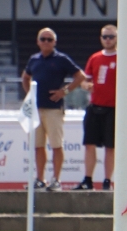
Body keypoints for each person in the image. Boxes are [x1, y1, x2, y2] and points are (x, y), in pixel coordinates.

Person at [21, 27, 86, 191]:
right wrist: (30, 95)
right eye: (43, 39)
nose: (46, 42)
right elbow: (25, 76)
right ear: (38, 42)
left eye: (49, 39)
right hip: (36, 109)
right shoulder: (34, 59)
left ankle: (56, 179)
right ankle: (40, 178)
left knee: (56, 145)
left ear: (54, 42)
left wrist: (63, 92)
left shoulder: (61, 59)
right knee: (38, 146)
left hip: (54, 109)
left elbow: (80, 76)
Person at [74, 25, 118, 191]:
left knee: (110, 147)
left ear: (116, 38)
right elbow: (85, 79)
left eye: (111, 37)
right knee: (89, 144)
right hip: (95, 106)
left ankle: (107, 181)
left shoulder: (122, 58)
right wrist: (86, 85)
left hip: (113, 108)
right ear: (100, 38)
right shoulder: (95, 58)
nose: (108, 40)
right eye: (105, 37)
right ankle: (88, 180)